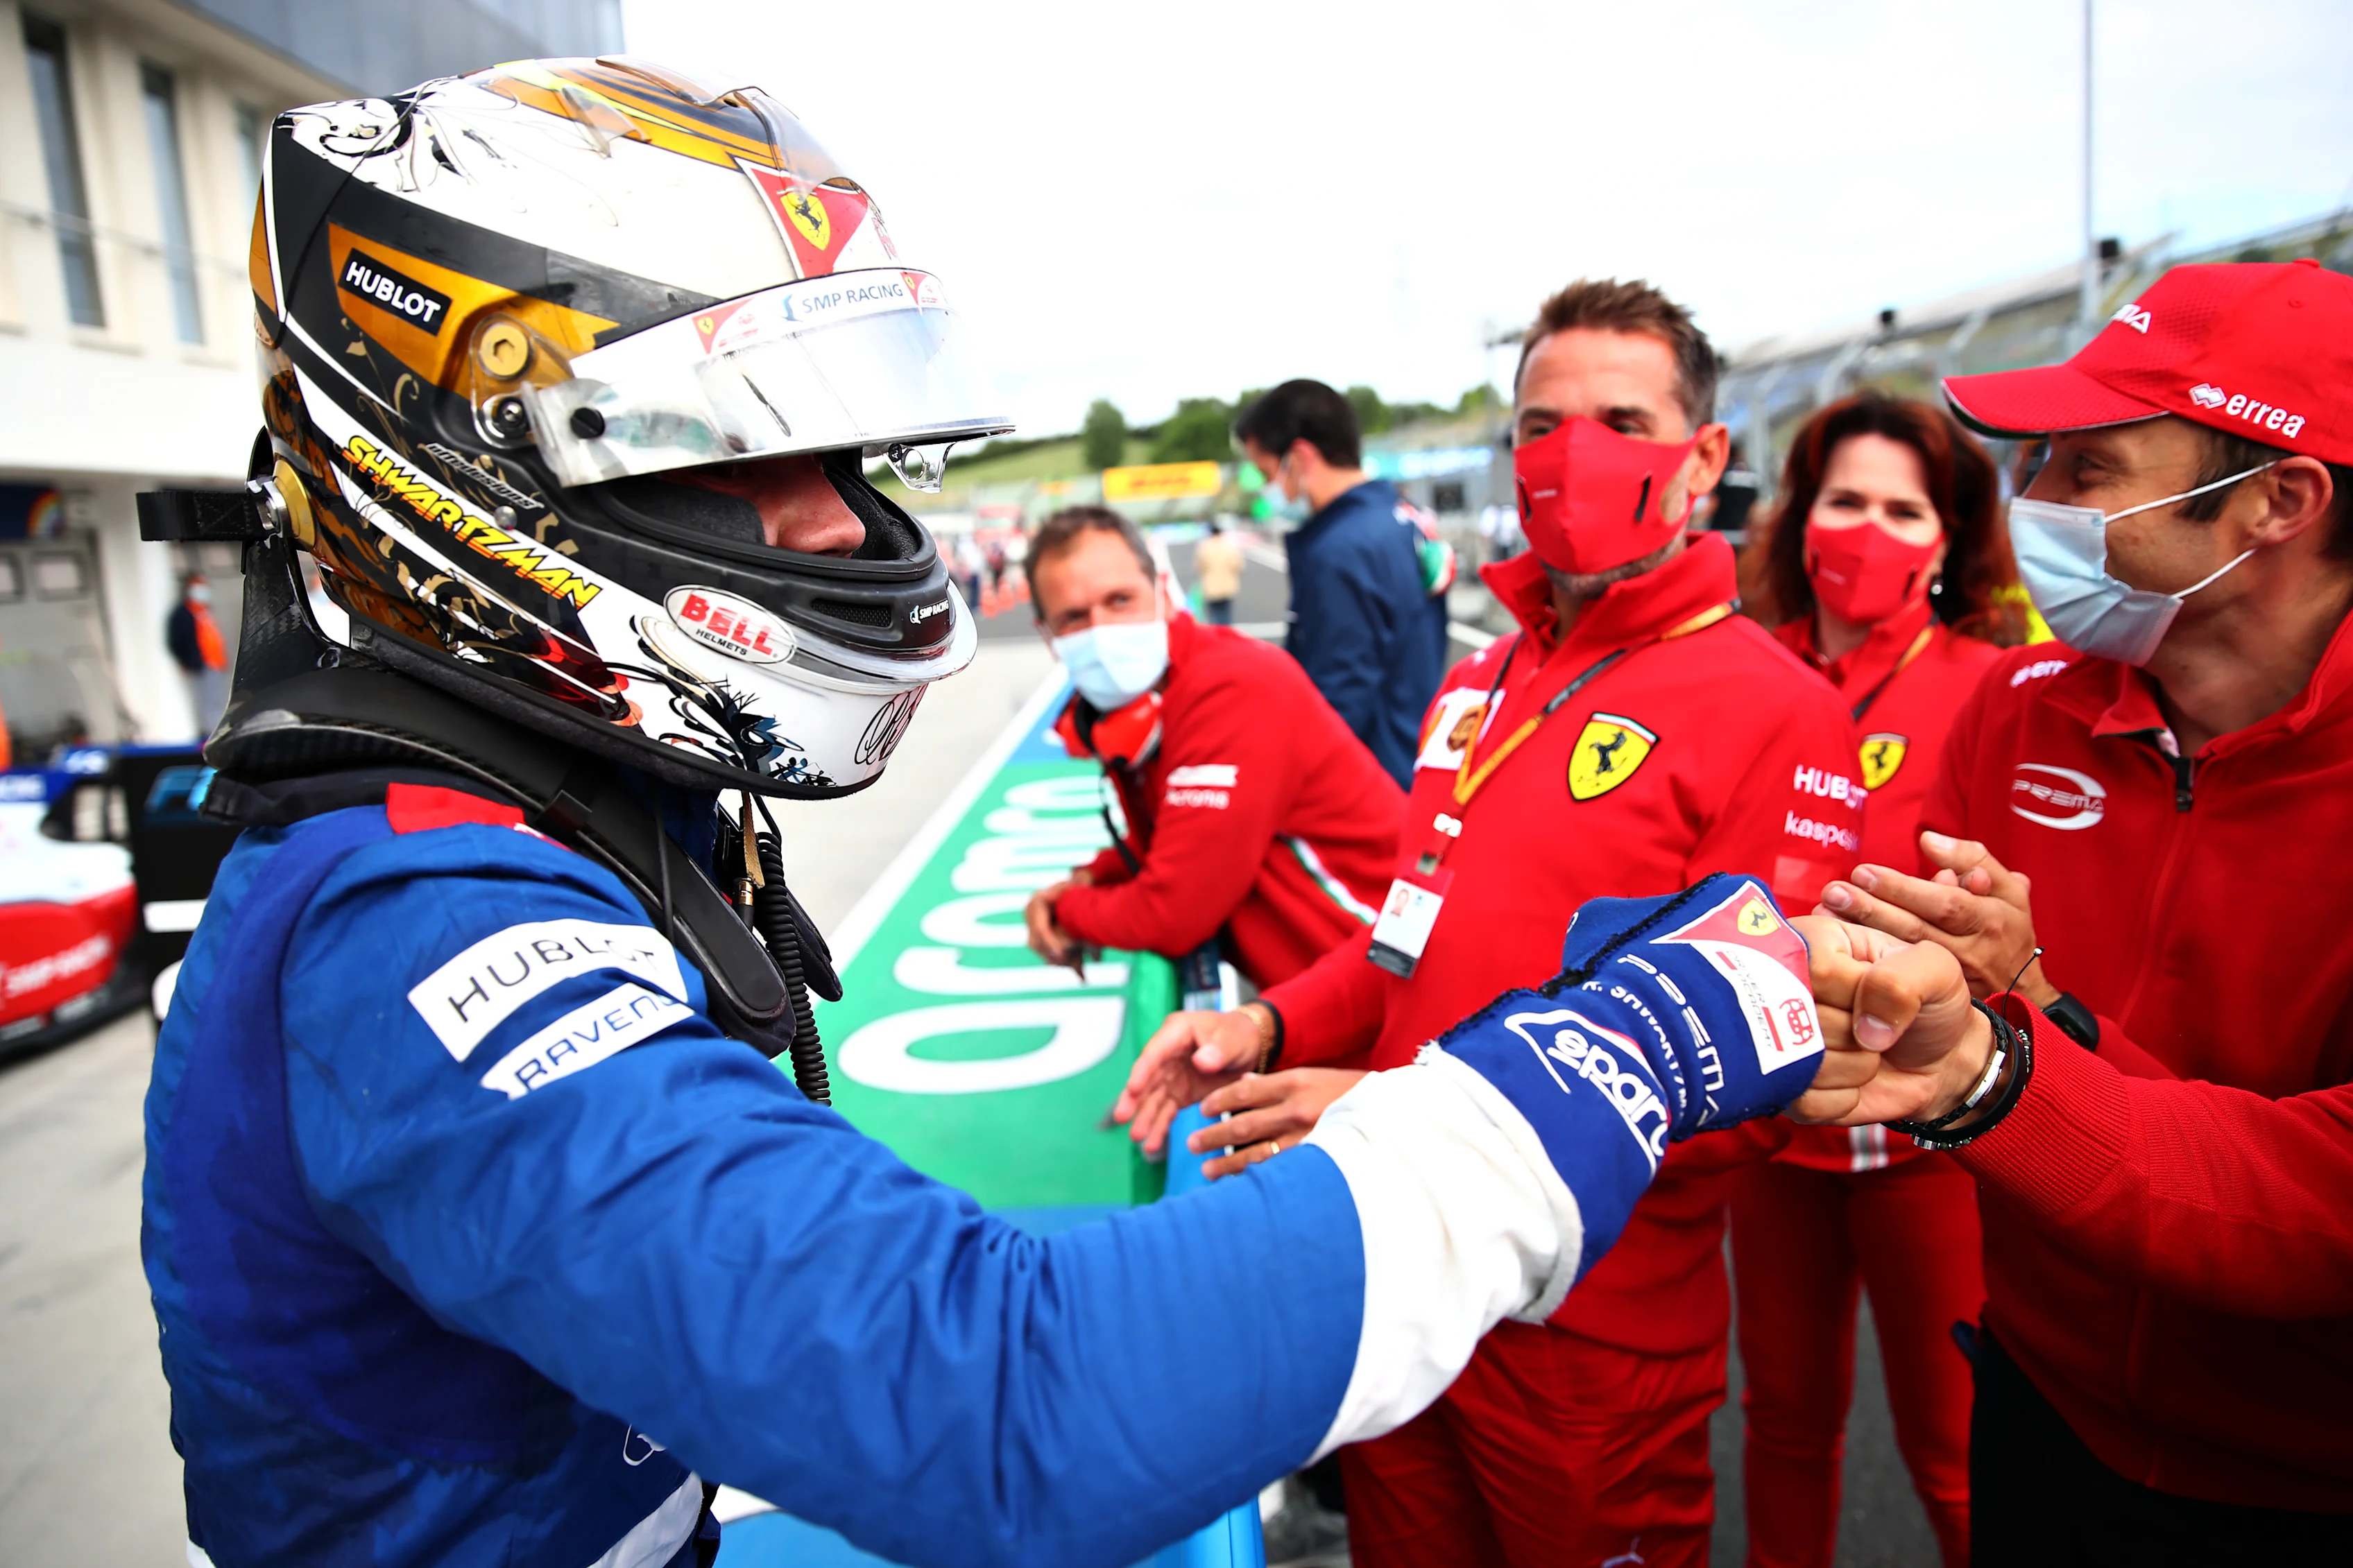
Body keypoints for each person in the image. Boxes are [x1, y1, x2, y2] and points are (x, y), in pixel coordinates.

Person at [142, 64, 1843, 1568]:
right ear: (481, 460)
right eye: (727, 449)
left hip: (1602, 1316)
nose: (831, 526)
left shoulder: (481, 829)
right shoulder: (419, 921)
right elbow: (1002, 1402)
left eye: (842, 452)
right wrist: (1626, 1046)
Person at [1119, 278, 1867, 1568]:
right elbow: (1404, 937)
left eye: (1617, 418)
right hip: (1399, 1289)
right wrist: (1266, 1020)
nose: (1568, 453)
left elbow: (1750, 1076)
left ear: (1700, 458)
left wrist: (1378, 1110)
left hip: (1589, 1333)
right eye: (1536, 425)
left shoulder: (1776, 709)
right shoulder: (1481, 677)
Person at [1805, 258, 2353, 1562]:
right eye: (2033, 458)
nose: (2028, 504)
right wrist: (2027, 1002)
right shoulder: (2016, 708)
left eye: (2083, 467)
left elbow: (2321, 1200)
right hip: (2042, 1409)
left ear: (2274, 501)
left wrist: (2002, 1063)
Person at [1729, 393, 2021, 1568]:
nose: (1868, 529)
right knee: (1783, 1430)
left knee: (1956, 1456)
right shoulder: (1740, 674)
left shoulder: (1998, 687)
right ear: (1801, 518)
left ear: (1947, 538)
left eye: (1902, 509)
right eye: (1845, 500)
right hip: (1772, 1126)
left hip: (1931, 1145)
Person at [1021, 506, 1400, 992]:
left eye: (1120, 600)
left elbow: (1174, 913)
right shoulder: (1139, 704)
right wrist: (1092, 876)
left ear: (1162, 592)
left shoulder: (1227, 686)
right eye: (1074, 616)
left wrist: (1065, 910)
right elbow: (1179, 839)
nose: (1102, 628)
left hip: (1392, 977)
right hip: (1330, 987)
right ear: (1046, 634)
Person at [1233, 380, 1447, 788]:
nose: (1268, 490)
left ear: (1299, 457)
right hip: (1412, 753)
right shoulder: (1402, 518)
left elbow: (1338, 696)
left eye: (1266, 473)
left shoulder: (1339, 549)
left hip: (1368, 779)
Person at [167, 571, 229, 736]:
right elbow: (176, 640)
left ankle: (218, 730)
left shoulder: (205, 612)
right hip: (199, 664)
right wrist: (186, 661)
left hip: (215, 663)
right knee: (205, 700)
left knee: (217, 699)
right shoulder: (183, 613)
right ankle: (209, 732)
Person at [1193, 517, 1244, 625]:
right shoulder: (1229, 547)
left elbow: (1199, 567)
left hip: (1211, 587)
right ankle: (1226, 637)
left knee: (1214, 617)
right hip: (1228, 587)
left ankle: (1218, 638)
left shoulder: (1205, 547)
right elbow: (1238, 565)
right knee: (1226, 616)